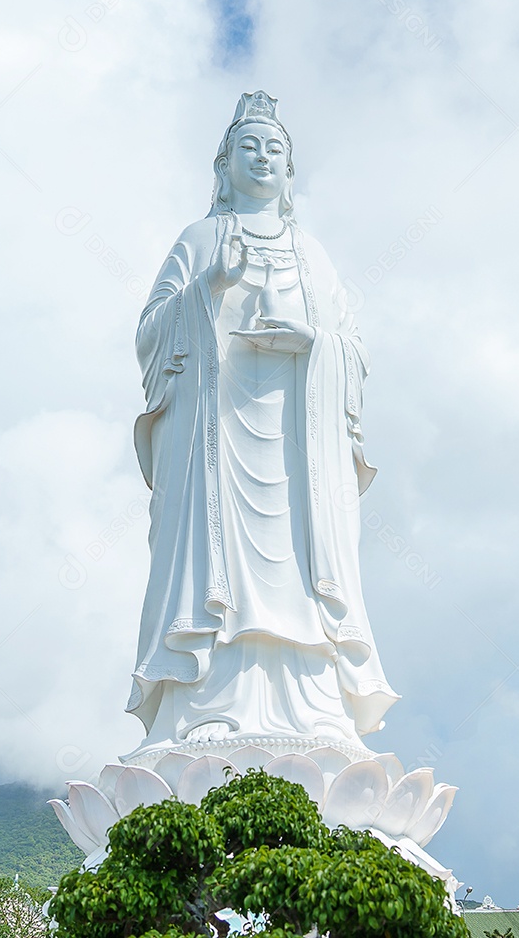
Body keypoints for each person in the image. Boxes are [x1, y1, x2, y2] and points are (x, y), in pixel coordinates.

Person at [127, 91, 398, 750]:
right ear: (224, 166)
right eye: (248, 146)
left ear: (290, 169)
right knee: (211, 561)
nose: (262, 157)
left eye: (275, 148)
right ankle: (203, 704)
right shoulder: (198, 241)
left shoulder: (314, 255)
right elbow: (150, 334)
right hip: (213, 439)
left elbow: (355, 351)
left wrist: (313, 344)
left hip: (298, 444)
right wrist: (207, 288)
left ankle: (316, 710)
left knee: (303, 571)